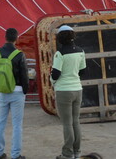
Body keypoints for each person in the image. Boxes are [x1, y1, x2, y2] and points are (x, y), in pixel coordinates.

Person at [0, 27, 29, 159]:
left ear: (5, 37)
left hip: (3, 92)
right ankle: (15, 154)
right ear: (16, 38)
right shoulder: (19, 54)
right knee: (17, 125)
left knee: (0, 122)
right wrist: (25, 90)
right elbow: (24, 75)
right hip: (17, 92)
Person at [51, 24, 86, 159]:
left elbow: (55, 74)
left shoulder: (60, 53)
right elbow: (82, 71)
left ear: (60, 38)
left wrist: (52, 80)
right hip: (77, 88)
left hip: (64, 90)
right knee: (76, 122)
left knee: (67, 123)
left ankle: (67, 153)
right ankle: (77, 152)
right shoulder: (80, 51)